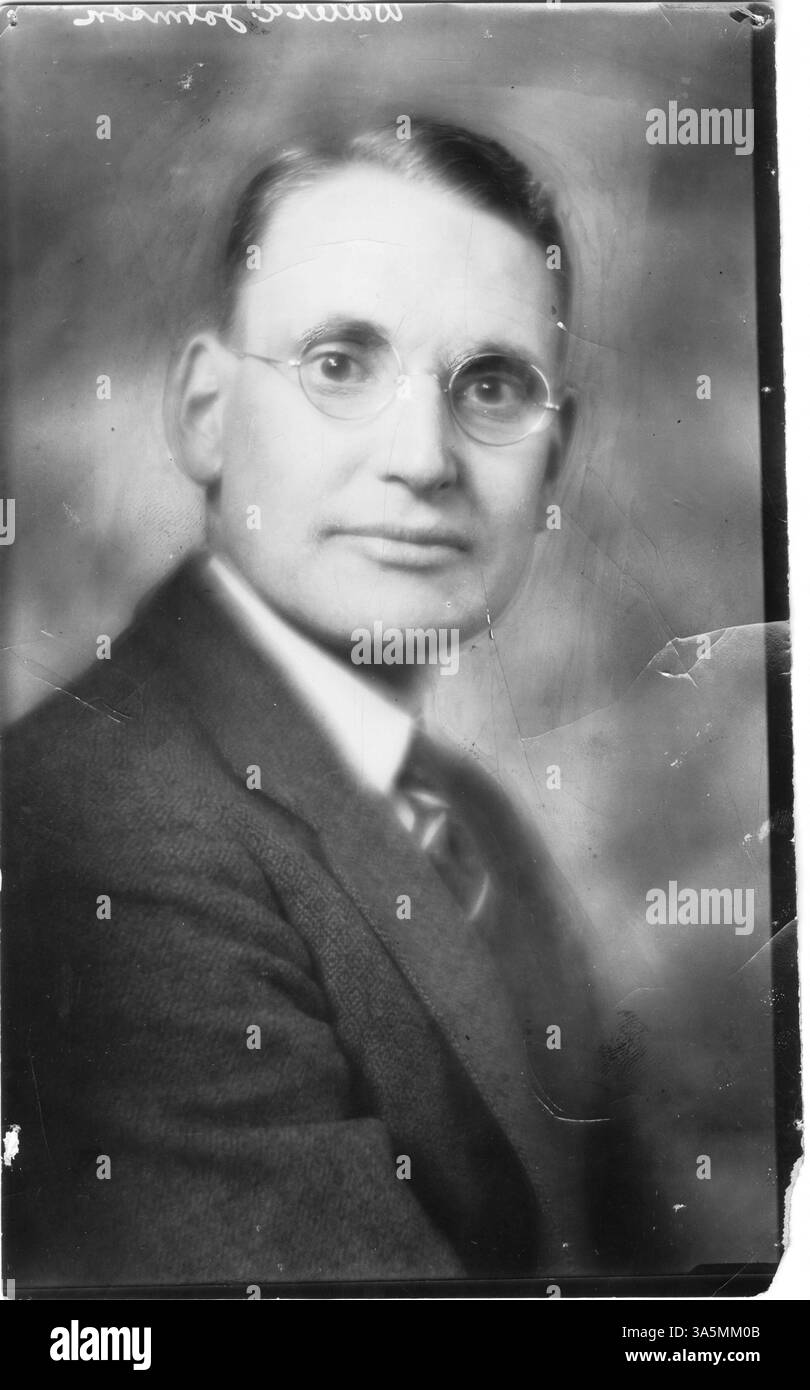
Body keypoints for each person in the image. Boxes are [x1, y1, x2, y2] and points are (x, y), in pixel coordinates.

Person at [4, 117, 782, 1292]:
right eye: (339, 363)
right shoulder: (100, 823)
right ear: (206, 410)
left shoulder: (469, 817)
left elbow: (650, 1256)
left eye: (493, 384)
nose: (424, 456)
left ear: (553, 456)